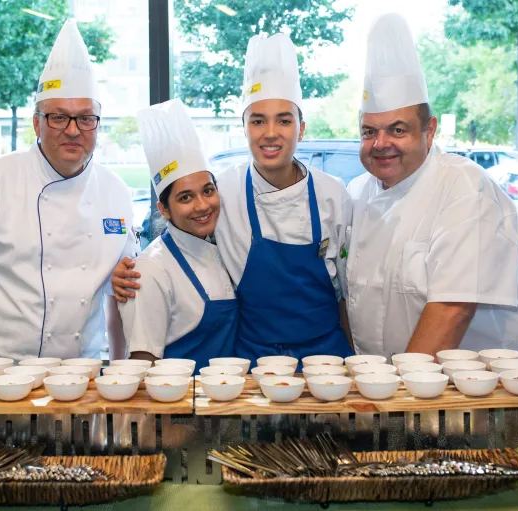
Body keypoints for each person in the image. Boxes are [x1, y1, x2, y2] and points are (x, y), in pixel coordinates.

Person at [113, 33, 353, 363]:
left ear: (301, 128)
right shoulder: (221, 191)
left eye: (284, 120)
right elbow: (179, 239)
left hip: (326, 357)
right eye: (258, 121)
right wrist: (128, 273)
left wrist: (354, 360)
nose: (270, 133)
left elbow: (346, 293)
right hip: (254, 364)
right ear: (244, 128)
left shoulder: (333, 193)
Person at [0, 20, 137, 361]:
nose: (73, 130)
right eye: (58, 117)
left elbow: (119, 290)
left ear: (97, 124)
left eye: (85, 118)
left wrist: (122, 372)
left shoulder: (115, 191)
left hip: (79, 376)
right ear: (37, 122)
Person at [345, 12, 518, 357]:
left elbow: (453, 309)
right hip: (392, 387)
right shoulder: (357, 193)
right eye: (369, 131)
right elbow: (349, 299)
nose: (381, 143)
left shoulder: (464, 187)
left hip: (484, 390)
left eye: (398, 129)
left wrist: (399, 396)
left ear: (429, 130)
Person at [117, 99, 237, 367]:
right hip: (178, 405)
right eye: (185, 198)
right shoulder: (150, 270)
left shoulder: (227, 245)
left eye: (208, 190)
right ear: (165, 209)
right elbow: (142, 362)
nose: (202, 206)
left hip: (225, 400)